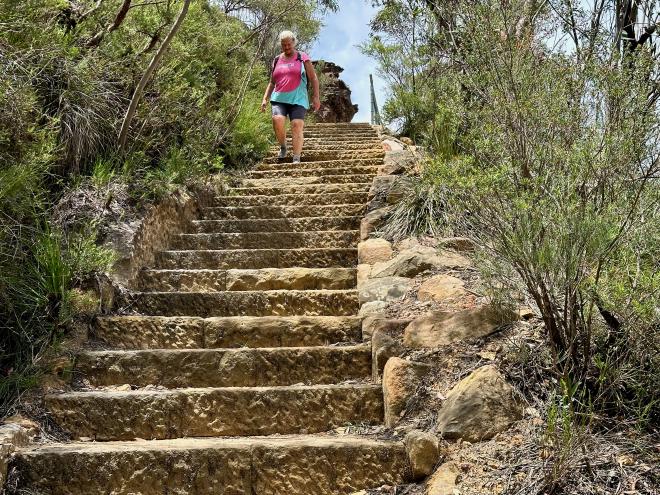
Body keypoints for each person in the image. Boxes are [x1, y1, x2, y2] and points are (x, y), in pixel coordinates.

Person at [261, 30, 321, 163]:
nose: (287, 47)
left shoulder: (302, 57)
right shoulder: (277, 60)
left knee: (296, 124)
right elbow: (272, 82)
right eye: (284, 45)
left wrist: (316, 97)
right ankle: (283, 146)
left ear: (294, 42)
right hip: (279, 98)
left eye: (289, 44)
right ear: (281, 44)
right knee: (277, 120)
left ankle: (296, 157)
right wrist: (265, 98)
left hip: (298, 97)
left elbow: (313, 77)